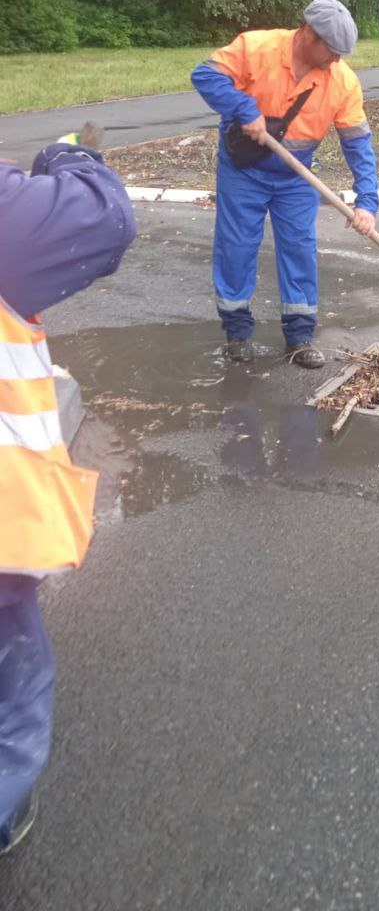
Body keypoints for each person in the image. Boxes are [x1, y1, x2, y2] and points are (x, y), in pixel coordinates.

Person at [0, 133, 136, 855]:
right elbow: (105, 220)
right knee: (11, 673)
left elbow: (357, 137)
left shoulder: (335, 84)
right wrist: (66, 157)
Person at [191, 0, 379, 369]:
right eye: (332, 51)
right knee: (237, 247)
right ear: (308, 33)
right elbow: (205, 76)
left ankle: (299, 337)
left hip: (296, 176)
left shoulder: (342, 82)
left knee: (299, 248)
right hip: (243, 170)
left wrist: (367, 202)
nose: (337, 61)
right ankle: (237, 333)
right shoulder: (255, 47)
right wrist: (245, 109)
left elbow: (358, 144)